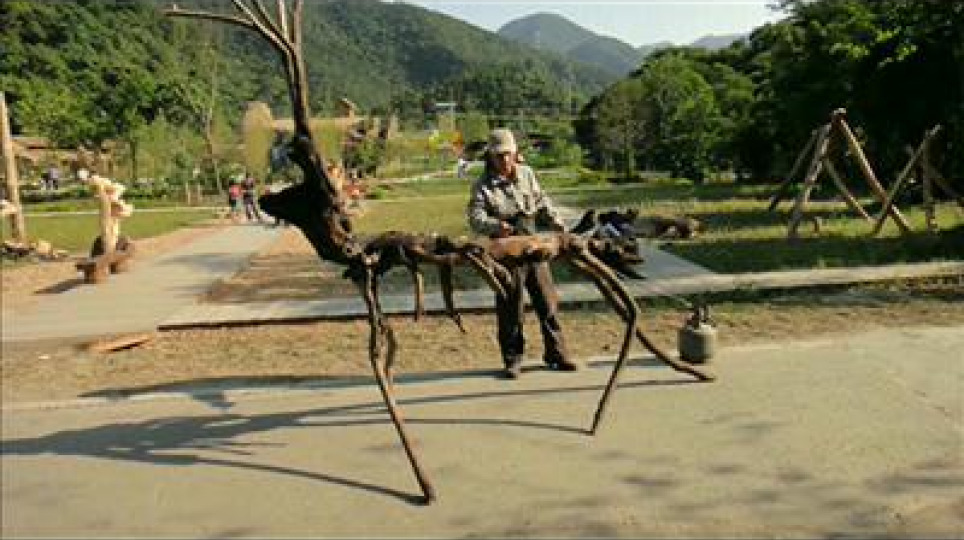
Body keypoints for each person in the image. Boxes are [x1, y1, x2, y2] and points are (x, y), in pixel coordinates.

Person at [466, 128, 578, 379]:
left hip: (533, 246)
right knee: (510, 308)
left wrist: (557, 222)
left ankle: (557, 354)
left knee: (547, 302)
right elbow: (475, 218)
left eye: (508, 154)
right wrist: (496, 226)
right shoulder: (482, 186)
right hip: (506, 252)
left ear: (515, 153)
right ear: (491, 157)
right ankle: (513, 360)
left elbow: (541, 201)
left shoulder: (527, 174)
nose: (504, 159)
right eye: (499, 155)